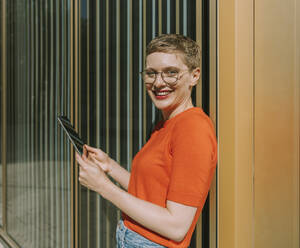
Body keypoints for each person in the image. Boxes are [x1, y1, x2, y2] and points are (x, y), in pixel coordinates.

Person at [75, 34, 217, 248]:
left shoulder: (193, 129)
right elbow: (151, 191)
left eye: (171, 73)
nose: (159, 83)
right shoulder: (165, 123)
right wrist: (109, 166)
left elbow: (176, 227)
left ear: (194, 76)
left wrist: (104, 187)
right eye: (151, 73)